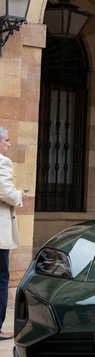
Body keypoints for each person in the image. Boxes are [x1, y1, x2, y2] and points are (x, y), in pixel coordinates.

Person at [0, 126, 25, 340]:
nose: (9, 144)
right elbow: (5, 191)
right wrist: (19, 195)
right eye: (6, 140)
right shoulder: (2, 161)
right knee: (1, 278)